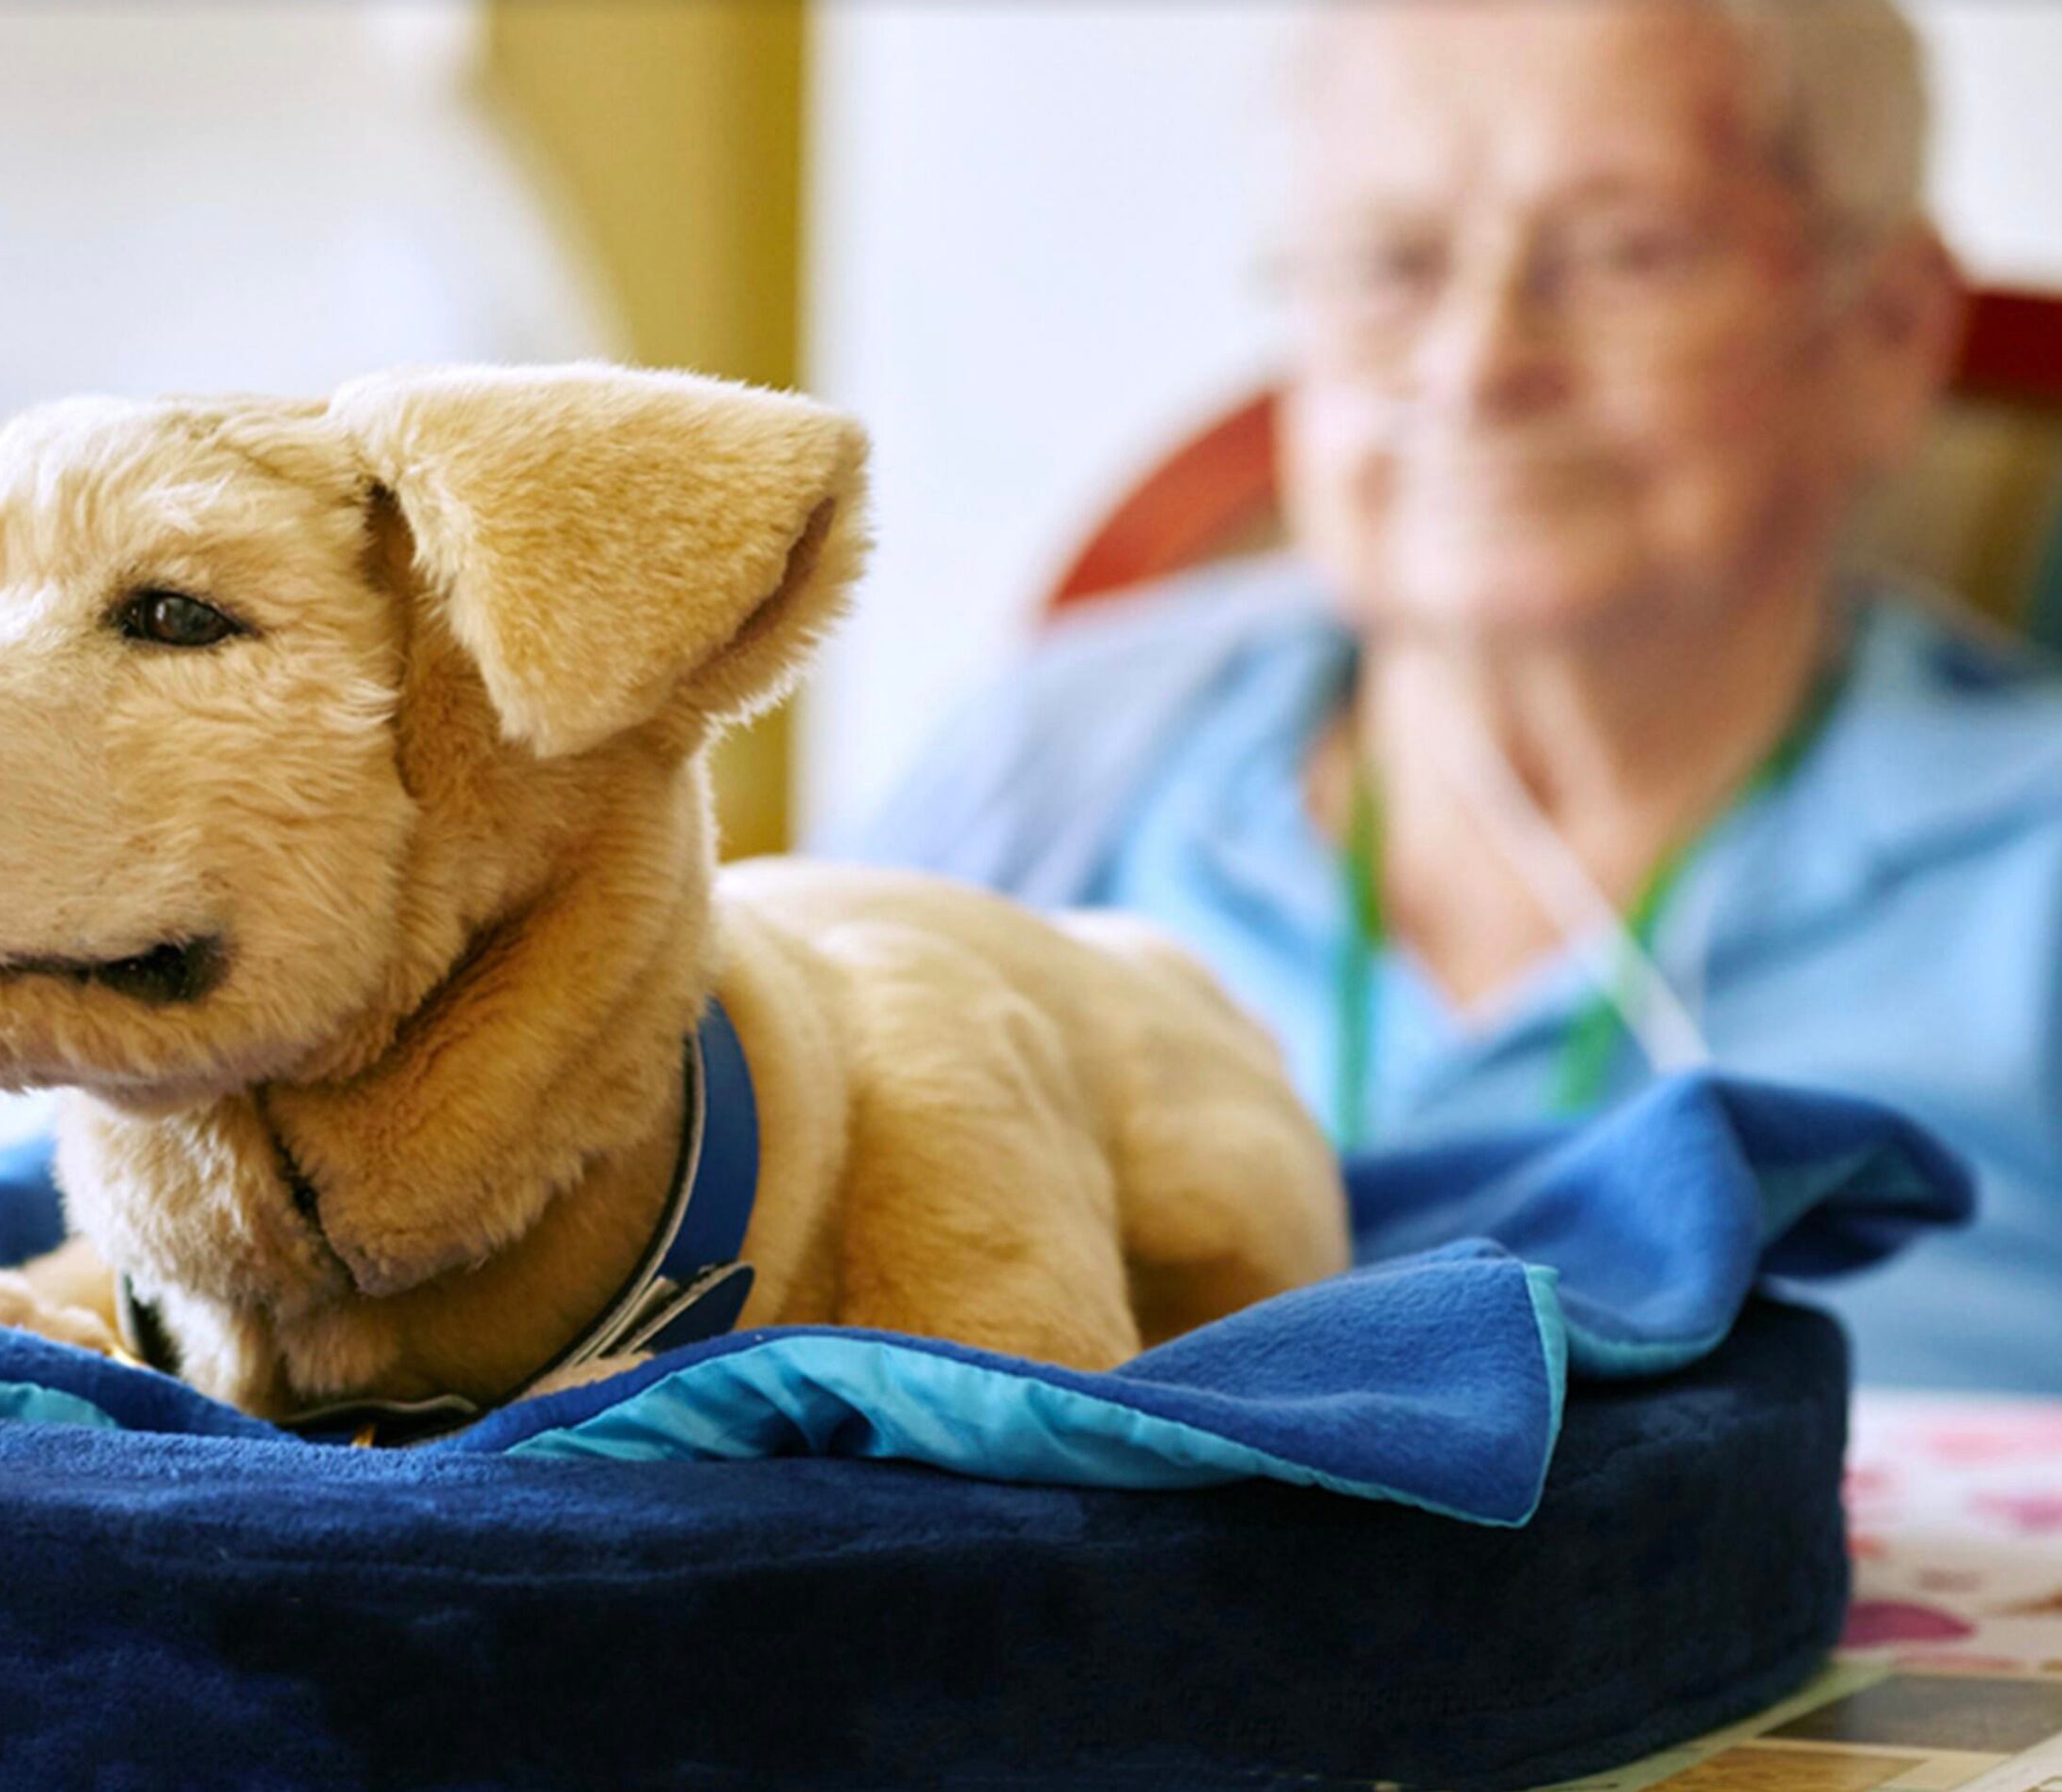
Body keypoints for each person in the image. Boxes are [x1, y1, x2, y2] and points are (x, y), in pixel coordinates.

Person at [845, 0, 2062, 1392]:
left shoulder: (2029, 857)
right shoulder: (1055, 755)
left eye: (1625, 253)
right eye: (1390, 264)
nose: (1477, 365)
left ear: (1885, 332)